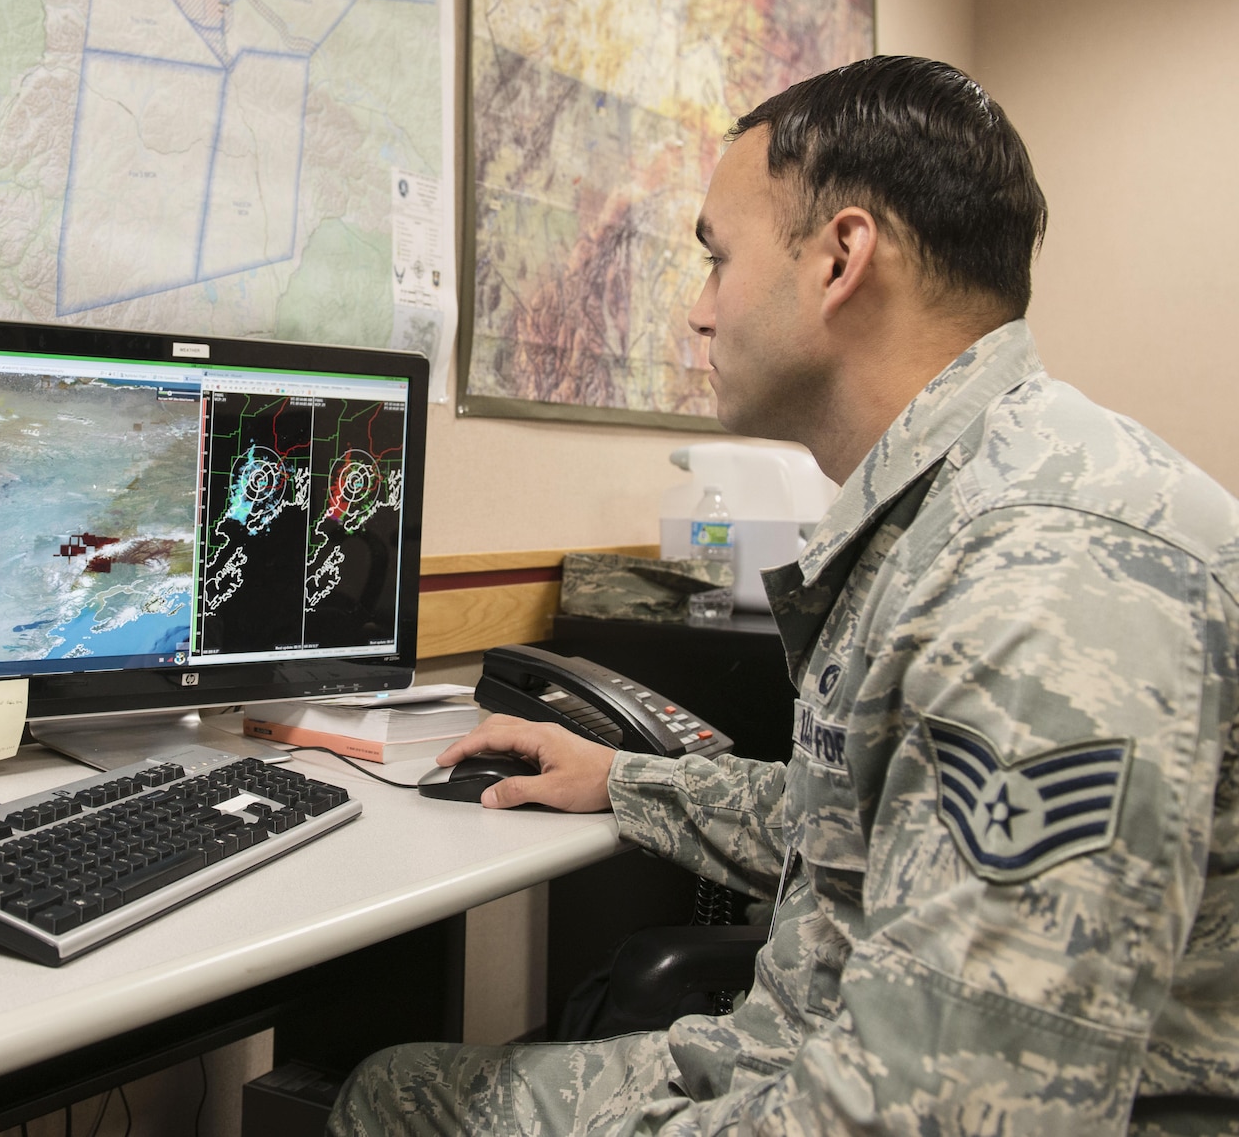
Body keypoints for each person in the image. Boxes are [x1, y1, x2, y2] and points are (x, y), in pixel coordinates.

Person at [330, 56, 1238, 1135]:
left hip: (842, 1102)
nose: (698, 311)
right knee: (394, 1081)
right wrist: (623, 777)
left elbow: (949, 1117)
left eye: (717, 259)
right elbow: (858, 827)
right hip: (800, 1056)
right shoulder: (955, 503)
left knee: (394, 1103)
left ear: (840, 259)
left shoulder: (1043, 576)